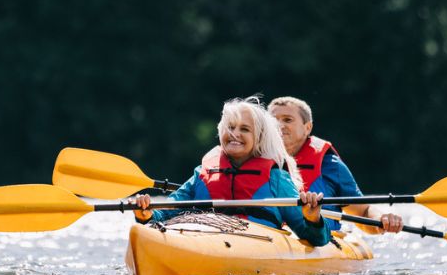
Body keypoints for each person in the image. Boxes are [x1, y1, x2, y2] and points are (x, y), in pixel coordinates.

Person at [133, 97, 332, 246]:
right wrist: (146, 215)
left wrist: (313, 218)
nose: (235, 134)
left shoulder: (276, 179)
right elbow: (167, 213)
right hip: (202, 238)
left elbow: (315, 239)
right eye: (230, 127)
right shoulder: (202, 174)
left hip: (257, 245)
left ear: (259, 137)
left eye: (245, 129)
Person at [269, 96, 403, 235]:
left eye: (287, 120)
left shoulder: (330, 166)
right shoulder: (254, 161)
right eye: (273, 121)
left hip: (319, 240)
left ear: (307, 128)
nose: (279, 125)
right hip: (270, 237)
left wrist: (381, 219)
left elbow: (363, 211)